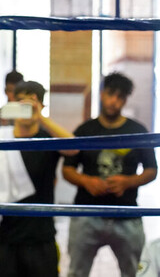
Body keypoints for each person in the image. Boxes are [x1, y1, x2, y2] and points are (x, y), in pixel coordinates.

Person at [0, 80, 77, 277]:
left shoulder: (48, 140)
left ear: (41, 106)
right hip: (6, 238)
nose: (26, 108)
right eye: (21, 102)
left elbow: (74, 148)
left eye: (32, 103)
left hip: (42, 238)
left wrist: (42, 118)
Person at [62, 72, 157, 277]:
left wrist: (128, 181)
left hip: (126, 214)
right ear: (102, 94)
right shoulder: (85, 130)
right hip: (86, 214)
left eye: (120, 97)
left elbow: (152, 170)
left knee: (136, 273)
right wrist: (86, 181)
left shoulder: (137, 131)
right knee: (76, 273)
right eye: (111, 94)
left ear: (125, 100)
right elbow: (67, 169)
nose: (114, 101)